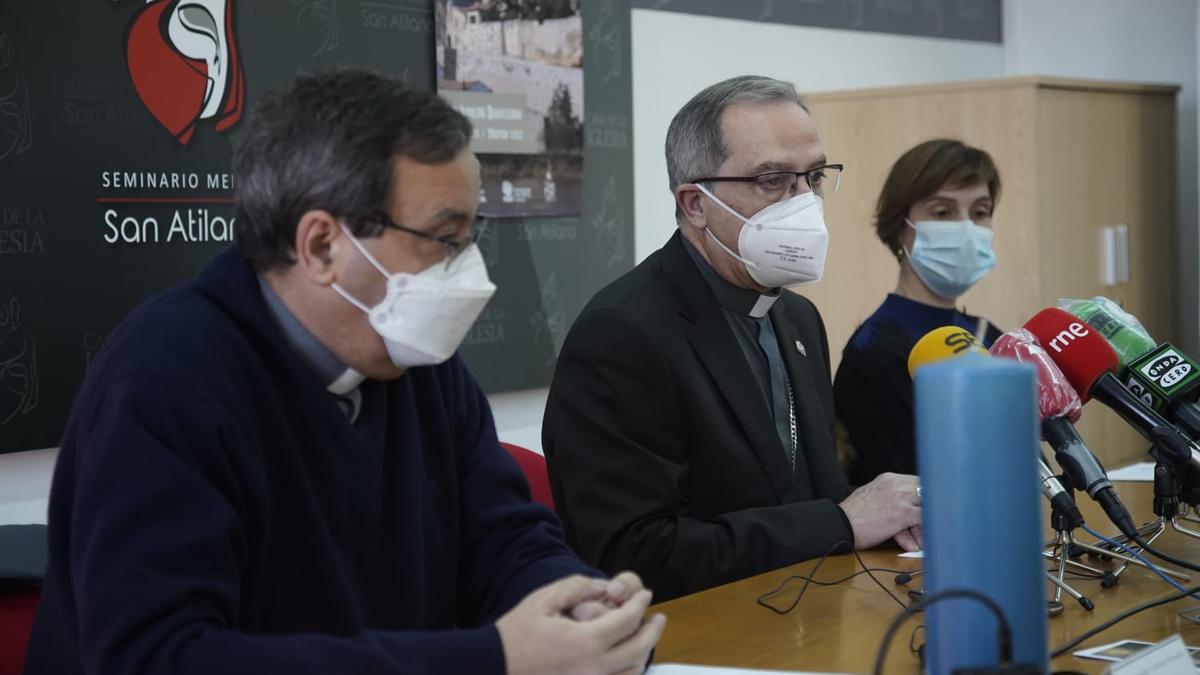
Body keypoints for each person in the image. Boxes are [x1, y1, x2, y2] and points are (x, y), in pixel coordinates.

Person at [23, 70, 663, 675]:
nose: (468, 271)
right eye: (445, 239)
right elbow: (162, 658)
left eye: (472, 237)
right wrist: (492, 659)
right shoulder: (167, 378)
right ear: (323, 245)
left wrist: (573, 603)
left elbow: (502, 537)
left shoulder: (414, 360)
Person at [542, 75, 922, 602]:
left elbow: (814, 496)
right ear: (695, 204)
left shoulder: (797, 319)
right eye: (772, 181)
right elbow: (635, 554)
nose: (803, 202)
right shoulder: (622, 333)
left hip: (805, 613)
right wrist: (841, 521)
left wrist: (887, 517)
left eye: (813, 177)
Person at [835, 139, 1004, 486]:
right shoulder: (876, 350)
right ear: (901, 225)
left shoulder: (989, 336)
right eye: (942, 212)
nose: (966, 229)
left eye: (980, 212)